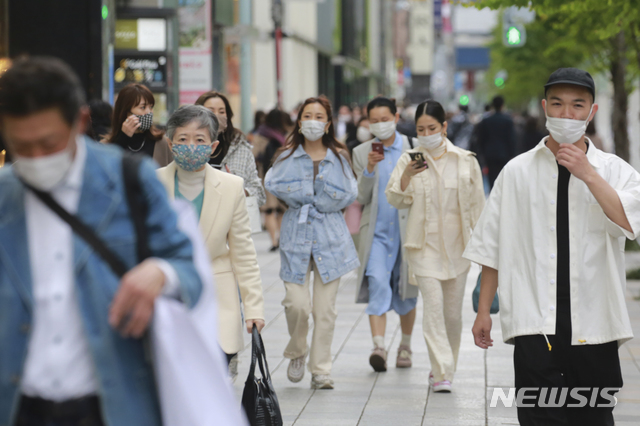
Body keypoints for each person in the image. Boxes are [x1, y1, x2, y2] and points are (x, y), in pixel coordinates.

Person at [0, 57, 203, 426]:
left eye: (49, 143)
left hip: (111, 404)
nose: (35, 158)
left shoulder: (128, 180)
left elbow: (189, 270)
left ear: (79, 123)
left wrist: (160, 273)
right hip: (18, 405)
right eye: (20, 146)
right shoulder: (4, 197)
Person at [466, 68, 640, 425]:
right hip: (535, 322)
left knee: (594, 416)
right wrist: (484, 310)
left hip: (595, 322)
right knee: (538, 417)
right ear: (545, 107)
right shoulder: (516, 171)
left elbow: (629, 222)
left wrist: (588, 173)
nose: (567, 114)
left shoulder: (613, 170)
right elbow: (492, 244)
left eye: (578, 105)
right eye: (558, 104)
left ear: (591, 112)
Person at [157, 105, 265, 381]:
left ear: (214, 146)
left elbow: (243, 253)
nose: (190, 146)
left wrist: (253, 308)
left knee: (212, 381)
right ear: (170, 143)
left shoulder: (231, 187)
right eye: (182, 139)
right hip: (168, 300)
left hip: (218, 302)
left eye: (199, 140)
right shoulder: (152, 183)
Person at [386, 99, 485, 393]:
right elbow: (394, 197)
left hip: (458, 247)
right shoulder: (410, 158)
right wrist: (406, 176)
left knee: (453, 316)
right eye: (420, 128)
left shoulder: (465, 160)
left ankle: (444, 367)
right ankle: (442, 371)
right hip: (423, 246)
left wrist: (484, 249)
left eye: (432, 127)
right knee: (433, 307)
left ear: (444, 127)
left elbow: (479, 206)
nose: (426, 133)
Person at [265, 96, 359, 390]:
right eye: (308, 115)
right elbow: (272, 184)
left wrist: (314, 198)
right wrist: (305, 197)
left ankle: (321, 370)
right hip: (295, 235)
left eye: (319, 116)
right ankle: (297, 350)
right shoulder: (286, 155)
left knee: (325, 310)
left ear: (328, 123)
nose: (313, 121)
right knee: (296, 305)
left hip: (331, 238)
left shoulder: (340, 155)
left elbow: (349, 194)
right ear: (300, 121)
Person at [352, 97, 419, 372]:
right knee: (377, 280)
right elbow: (361, 196)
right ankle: (378, 346)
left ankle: (405, 344)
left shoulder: (413, 148)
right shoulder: (361, 152)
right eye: (374, 121)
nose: (380, 125)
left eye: (385, 119)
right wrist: (369, 168)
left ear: (396, 116)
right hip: (376, 234)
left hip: (407, 232)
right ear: (367, 122)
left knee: (407, 290)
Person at [195, 91, 266, 207]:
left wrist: (240, 191)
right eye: (210, 111)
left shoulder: (241, 148)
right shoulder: (189, 147)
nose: (216, 115)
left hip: (232, 217)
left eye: (222, 112)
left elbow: (259, 194)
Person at [107, 83, 167, 160]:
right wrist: (123, 138)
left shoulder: (161, 142)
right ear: (127, 113)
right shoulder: (108, 146)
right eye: (143, 107)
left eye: (151, 107)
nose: (149, 112)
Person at [258, 109, 288, 251]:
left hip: (266, 177)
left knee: (269, 210)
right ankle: (282, 238)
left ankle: (274, 240)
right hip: (284, 177)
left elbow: (254, 156)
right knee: (281, 210)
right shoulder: (285, 136)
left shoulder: (261, 135)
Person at [474, 95, 516, 189]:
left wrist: (482, 153)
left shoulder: (486, 121)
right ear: (502, 105)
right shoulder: (508, 121)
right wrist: (512, 154)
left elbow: (481, 139)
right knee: (503, 178)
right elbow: (511, 139)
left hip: (489, 154)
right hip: (504, 154)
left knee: (491, 178)